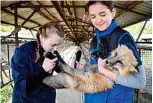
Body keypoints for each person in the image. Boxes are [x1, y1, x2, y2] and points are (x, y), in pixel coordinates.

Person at [76, 1, 146, 103]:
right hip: (92, 98)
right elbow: (95, 69)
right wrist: (85, 68)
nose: (98, 20)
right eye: (93, 16)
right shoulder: (95, 40)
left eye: (102, 14)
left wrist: (104, 71)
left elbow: (140, 82)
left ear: (113, 13)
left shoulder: (122, 39)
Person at [11, 22, 65, 103]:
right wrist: (43, 71)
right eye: (53, 44)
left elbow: (62, 68)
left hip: (46, 98)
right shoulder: (22, 53)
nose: (56, 49)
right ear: (42, 38)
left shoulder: (52, 52)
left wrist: (75, 72)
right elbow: (21, 88)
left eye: (58, 45)